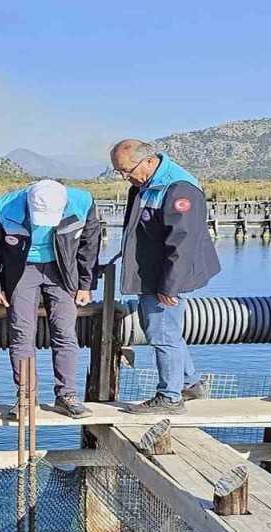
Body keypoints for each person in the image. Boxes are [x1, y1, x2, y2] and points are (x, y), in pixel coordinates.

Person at [109, 139, 221, 415]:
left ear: (148, 161)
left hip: (168, 275)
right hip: (152, 271)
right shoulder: (144, 185)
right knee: (163, 330)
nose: (125, 178)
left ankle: (170, 397)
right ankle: (189, 382)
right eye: (119, 172)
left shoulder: (179, 189)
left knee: (161, 334)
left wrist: (170, 286)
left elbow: (183, 243)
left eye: (127, 170)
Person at [0, 179, 102, 418]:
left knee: (65, 333)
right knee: (21, 333)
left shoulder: (83, 202)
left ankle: (66, 395)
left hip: (62, 270)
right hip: (21, 270)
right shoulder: (4, 206)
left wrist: (86, 284)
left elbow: (89, 246)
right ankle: (26, 397)